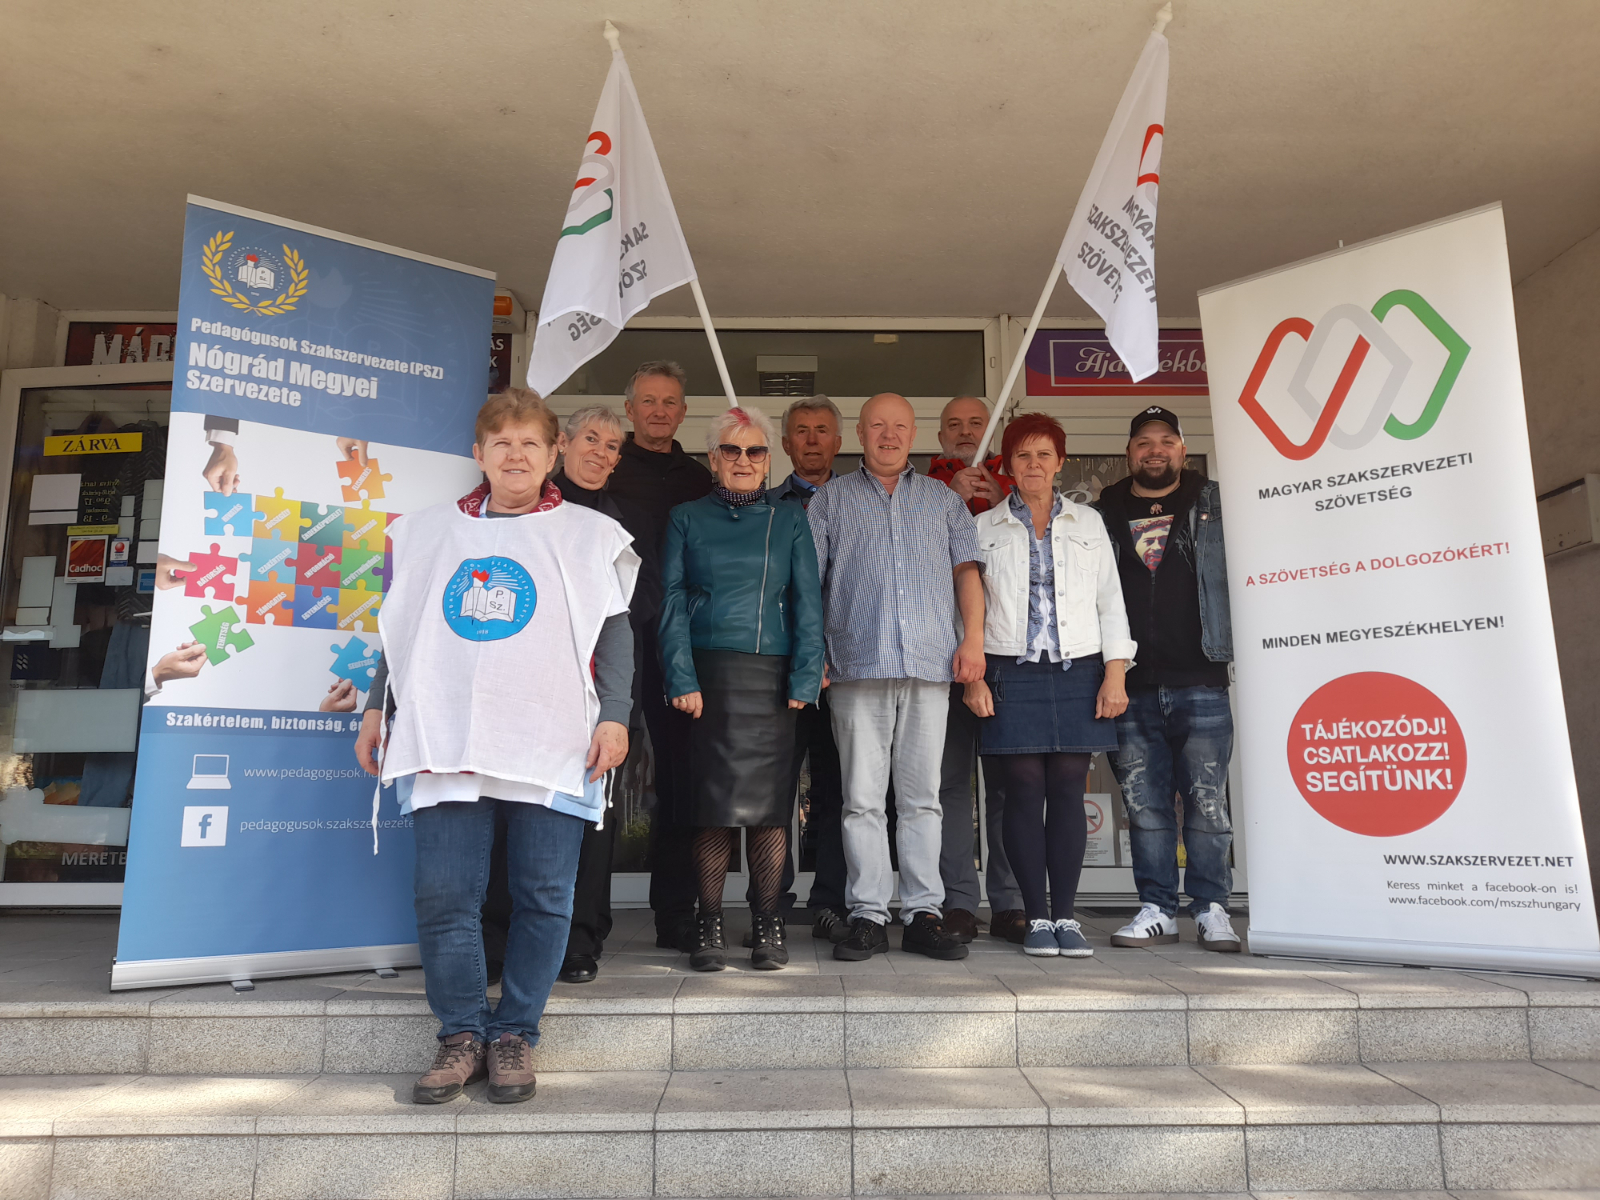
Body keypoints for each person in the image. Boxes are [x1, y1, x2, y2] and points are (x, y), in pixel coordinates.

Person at [354, 388, 638, 1105]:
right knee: (445, 894)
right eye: (502, 443)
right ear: (478, 453)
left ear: (553, 455)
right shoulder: (427, 533)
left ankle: (514, 1034)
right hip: (446, 732)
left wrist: (615, 715)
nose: (516, 455)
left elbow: (615, 634)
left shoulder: (589, 534)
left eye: (530, 443)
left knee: (545, 894)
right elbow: (403, 629)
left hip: (552, 735)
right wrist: (376, 706)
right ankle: (460, 1034)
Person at [807, 392, 984, 962]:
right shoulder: (829, 501)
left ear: (914, 434)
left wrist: (973, 640)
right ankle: (867, 914)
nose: (889, 435)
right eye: (878, 425)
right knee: (861, 801)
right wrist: (815, 652)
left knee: (922, 800)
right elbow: (808, 583)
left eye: (899, 426)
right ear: (860, 433)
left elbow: (968, 574)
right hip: (855, 667)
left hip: (929, 667)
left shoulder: (942, 500)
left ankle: (923, 913)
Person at [660, 405, 824, 971]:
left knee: (769, 811)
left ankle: (767, 923)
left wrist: (806, 675)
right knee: (712, 809)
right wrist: (680, 675)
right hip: (707, 678)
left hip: (772, 679)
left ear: (768, 459)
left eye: (755, 451)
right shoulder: (685, 517)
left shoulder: (790, 518)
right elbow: (671, 601)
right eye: (731, 450)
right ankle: (708, 923)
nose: (744, 460)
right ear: (713, 459)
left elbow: (807, 601)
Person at [964, 414, 1134, 956]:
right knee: (1021, 790)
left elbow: (1110, 600)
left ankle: (1067, 916)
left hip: (1078, 667)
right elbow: (967, 610)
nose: (1033, 465)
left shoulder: (1088, 523)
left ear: (1060, 462)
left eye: (1043, 455)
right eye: (1022, 455)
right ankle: (1034, 916)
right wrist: (974, 679)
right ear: (1008, 465)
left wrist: (1115, 672)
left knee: (1067, 788)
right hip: (1009, 669)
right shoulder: (983, 527)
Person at [1092, 406, 1240, 952]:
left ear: (1181, 448)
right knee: (1145, 807)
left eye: (1166, 441)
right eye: (1144, 442)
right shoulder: (1101, 513)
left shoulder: (1217, 502)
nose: (1155, 450)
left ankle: (1211, 909)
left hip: (1201, 675)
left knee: (1207, 804)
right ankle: (1157, 909)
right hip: (1128, 682)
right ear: (1129, 452)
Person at [605, 362, 714, 953]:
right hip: (611, 637)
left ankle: (676, 913)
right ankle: (585, 919)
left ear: (683, 413)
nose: (658, 411)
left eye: (669, 402)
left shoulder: (699, 478)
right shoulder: (608, 466)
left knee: (678, 776)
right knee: (601, 771)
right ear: (630, 409)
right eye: (648, 401)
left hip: (678, 642)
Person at [925, 395, 1026, 945]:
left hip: (1009, 658)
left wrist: (1001, 501)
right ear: (940, 435)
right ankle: (958, 900)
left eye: (976, 424)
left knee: (1008, 784)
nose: (966, 433)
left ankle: (1010, 902)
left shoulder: (1021, 487)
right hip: (946, 659)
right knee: (948, 786)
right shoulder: (923, 489)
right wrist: (950, 502)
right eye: (954, 425)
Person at [549, 405, 631, 984]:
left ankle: (580, 938)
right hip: (532, 689)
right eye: (592, 440)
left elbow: (626, 619)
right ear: (562, 444)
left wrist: (619, 705)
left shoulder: (618, 524)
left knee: (592, 818)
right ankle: (506, 936)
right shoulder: (526, 508)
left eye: (613, 446)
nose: (601, 452)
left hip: (597, 692)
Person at [769, 396, 851, 944]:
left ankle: (831, 901)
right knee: (775, 786)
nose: (813, 439)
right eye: (802, 430)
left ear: (838, 442)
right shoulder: (766, 506)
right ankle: (770, 900)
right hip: (782, 667)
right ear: (785, 443)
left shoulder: (856, 501)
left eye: (823, 430)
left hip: (845, 669)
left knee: (839, 787)